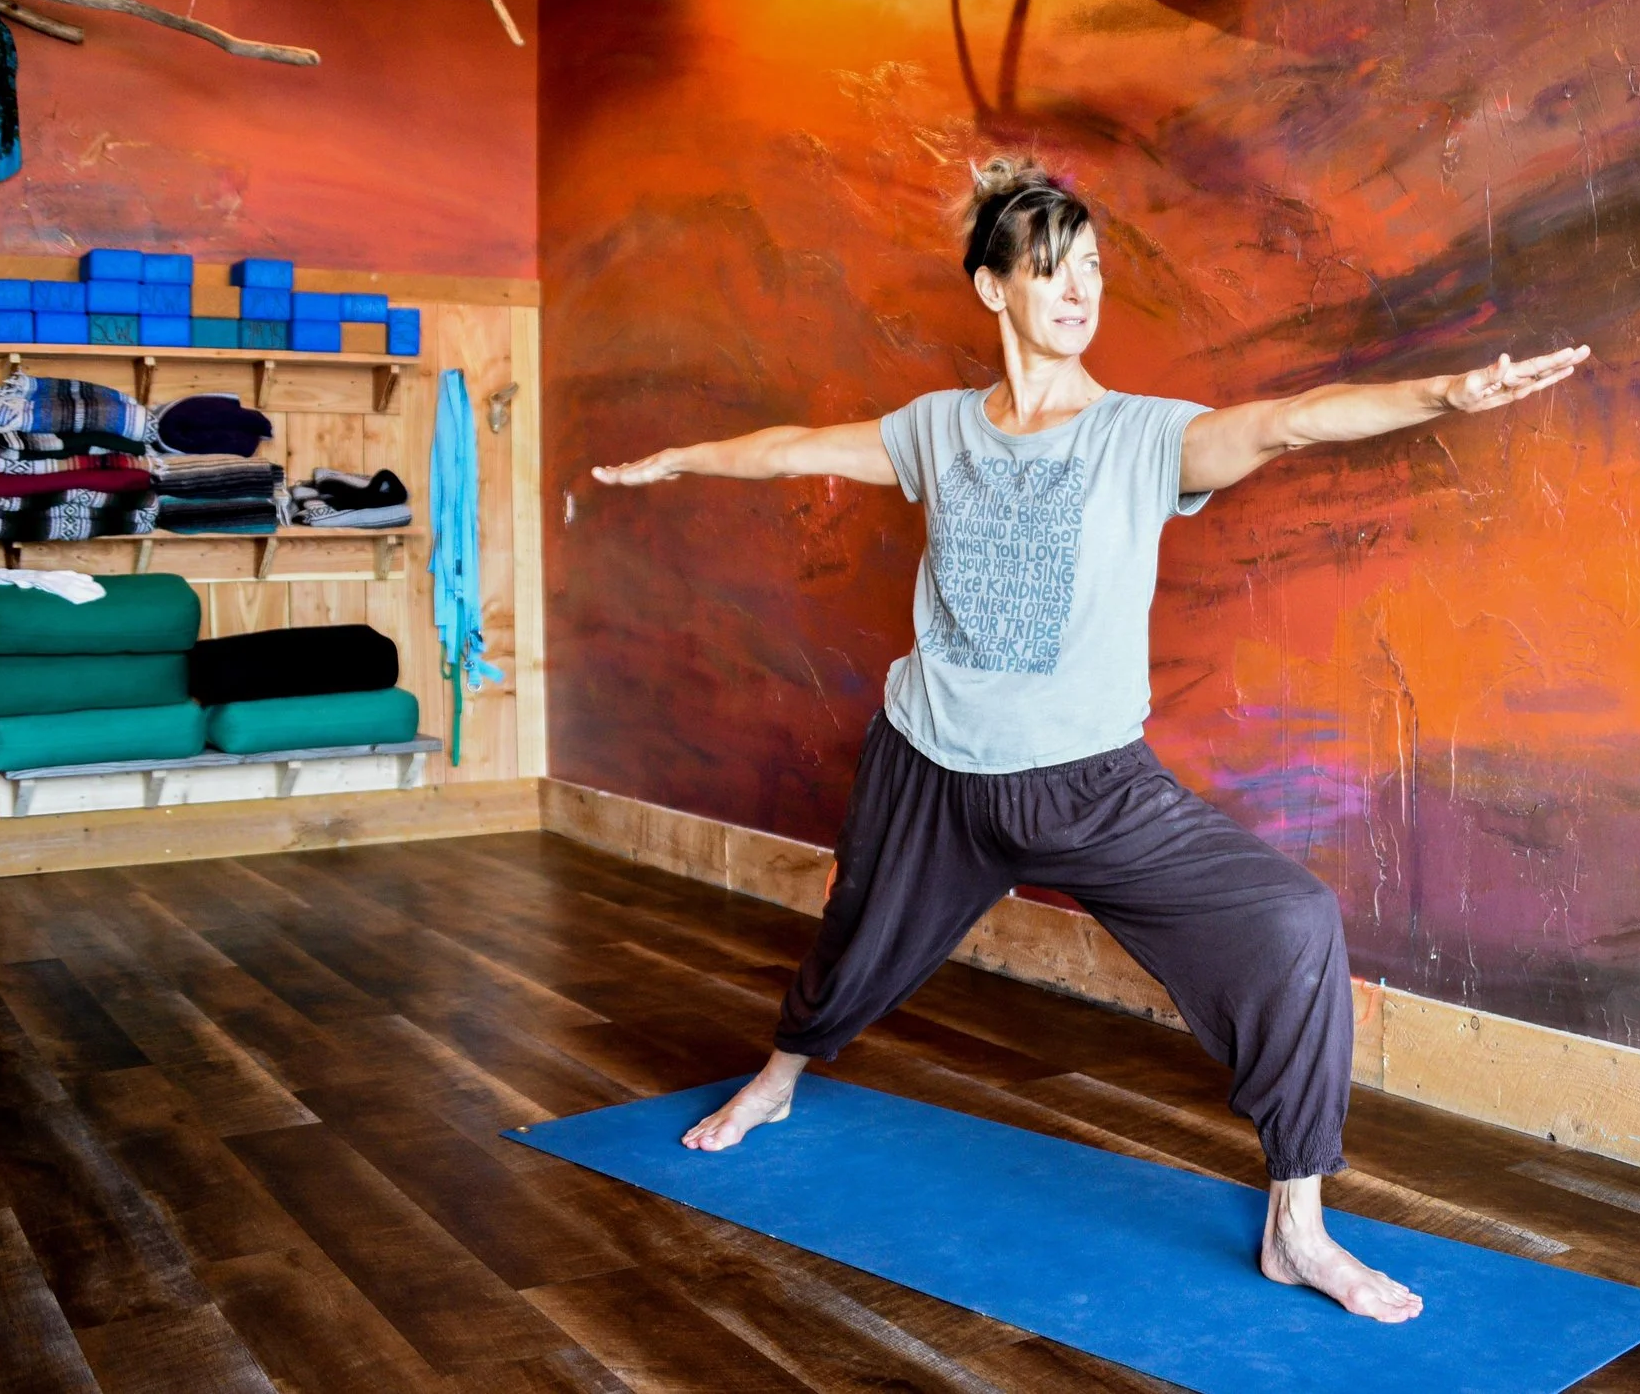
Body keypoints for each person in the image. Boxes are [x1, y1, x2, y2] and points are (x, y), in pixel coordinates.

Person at [593, 159, 1588, 1324]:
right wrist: (679, 459)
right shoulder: (935, 430)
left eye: (1093, 270)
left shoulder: (1140, 437)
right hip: (929, 766)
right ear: (992, 288)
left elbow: (1290, 422)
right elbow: (793, 448)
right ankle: (776, 1080)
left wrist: (1444, 396)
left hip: (1085, 784)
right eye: (1051, 269)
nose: (1078, 291)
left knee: (1292, 923)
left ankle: (1297, 1224)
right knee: (854, 940)